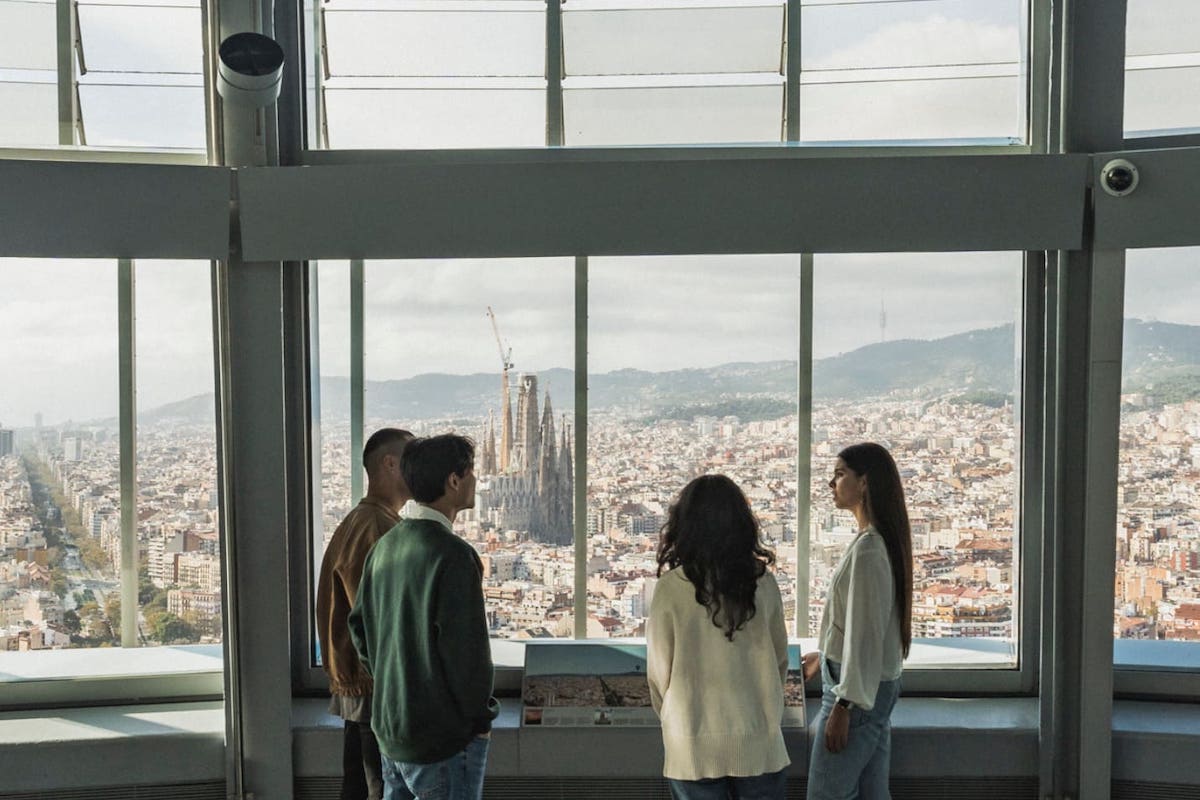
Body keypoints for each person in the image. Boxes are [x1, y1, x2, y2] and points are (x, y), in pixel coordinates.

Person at [349, 434, 499, 800]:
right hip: (441, 739)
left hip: (391, 729)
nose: (476, 481)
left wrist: (395, 682)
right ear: (453, 480)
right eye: (471, 472)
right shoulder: (452, 555)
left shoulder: (385, 546)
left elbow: (359, 629)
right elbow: (467, 656)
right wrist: (480, 720)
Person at [647, 474, 790, 800]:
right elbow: (780, 662)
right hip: (759, 742)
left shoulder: (671, 589)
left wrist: (678, 723)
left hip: (692, 746)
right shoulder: (763, 584)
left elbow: (659, 676)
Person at [804, 442, 913, 800]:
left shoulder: (869, 549)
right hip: (873, 687)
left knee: (827, 794)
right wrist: (829, 654)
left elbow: (866, 634)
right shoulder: (879, 542)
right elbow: (866, 627)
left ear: (864, 483)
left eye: (839, 474)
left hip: (857, 694)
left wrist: (845, 703)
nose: (830, 483)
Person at [317, 427, 414, 800]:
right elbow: (375, 616)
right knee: (379, 789)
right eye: (411, 460)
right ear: (390, 464)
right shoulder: (377, 528)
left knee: (359, 787)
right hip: (374, 686)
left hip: (360, 683)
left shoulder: (365, 521)